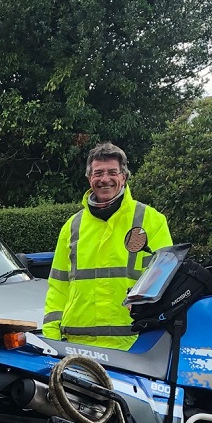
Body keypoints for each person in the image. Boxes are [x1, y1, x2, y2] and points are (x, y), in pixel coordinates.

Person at [42, 142, 172, 349]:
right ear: (89, 178)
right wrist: (51, 337)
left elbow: (164, 281)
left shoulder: (152, 221)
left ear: (124, 177)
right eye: (98, 173)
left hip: (133, 345)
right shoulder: (72, 227)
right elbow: (58, 287)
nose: (105, 179)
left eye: (112, 172)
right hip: (77, 345)